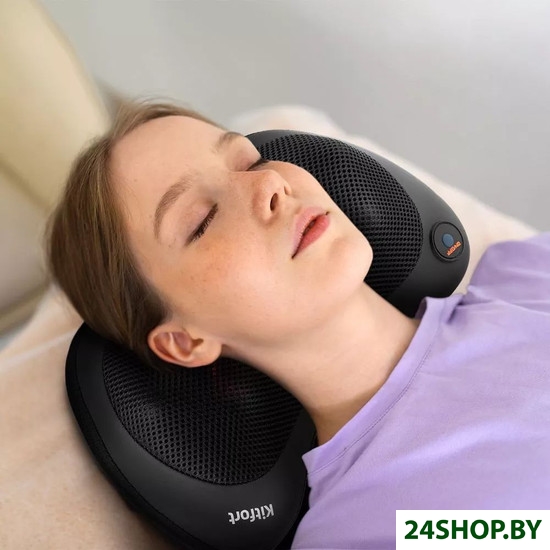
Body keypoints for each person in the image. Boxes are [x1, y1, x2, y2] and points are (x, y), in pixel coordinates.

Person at [45, 99, 550, 549]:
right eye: (202, 219)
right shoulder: (363, 530)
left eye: (251, 162)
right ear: (185, 341)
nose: (270, 184)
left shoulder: (525, 274)